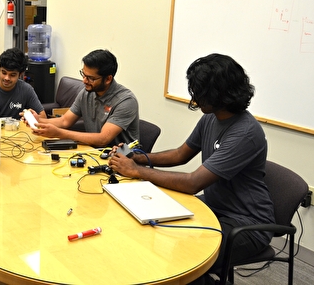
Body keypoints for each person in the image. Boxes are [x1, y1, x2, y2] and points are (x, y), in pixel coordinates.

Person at [108, 53, 275, 283]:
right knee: (153, 227)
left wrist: (136, 171)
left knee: (186, 258)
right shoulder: (212, 117)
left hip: (247, 223)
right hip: (214, 207)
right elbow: (180, 154)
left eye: (198, 93)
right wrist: (141, 159)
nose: (194, 98)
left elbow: (192, 183)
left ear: (217, 95)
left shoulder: (245, 132)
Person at [26, 49, 139, 148]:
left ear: (108, 79)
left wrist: (59, 133)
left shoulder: (125, 101)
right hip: (93, 151)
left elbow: (103, 139)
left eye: (91, 78)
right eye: (83, 74)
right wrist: (38, 120)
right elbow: (65, 121)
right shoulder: (86, 93)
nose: (84, 81)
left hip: (122, 161)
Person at [0, 47, 46, 119]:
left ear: (20, 74)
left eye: (12, 75)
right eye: (4, 73)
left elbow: (43, 117)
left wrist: (30, 117)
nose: (6, 78)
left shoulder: (26, 90)